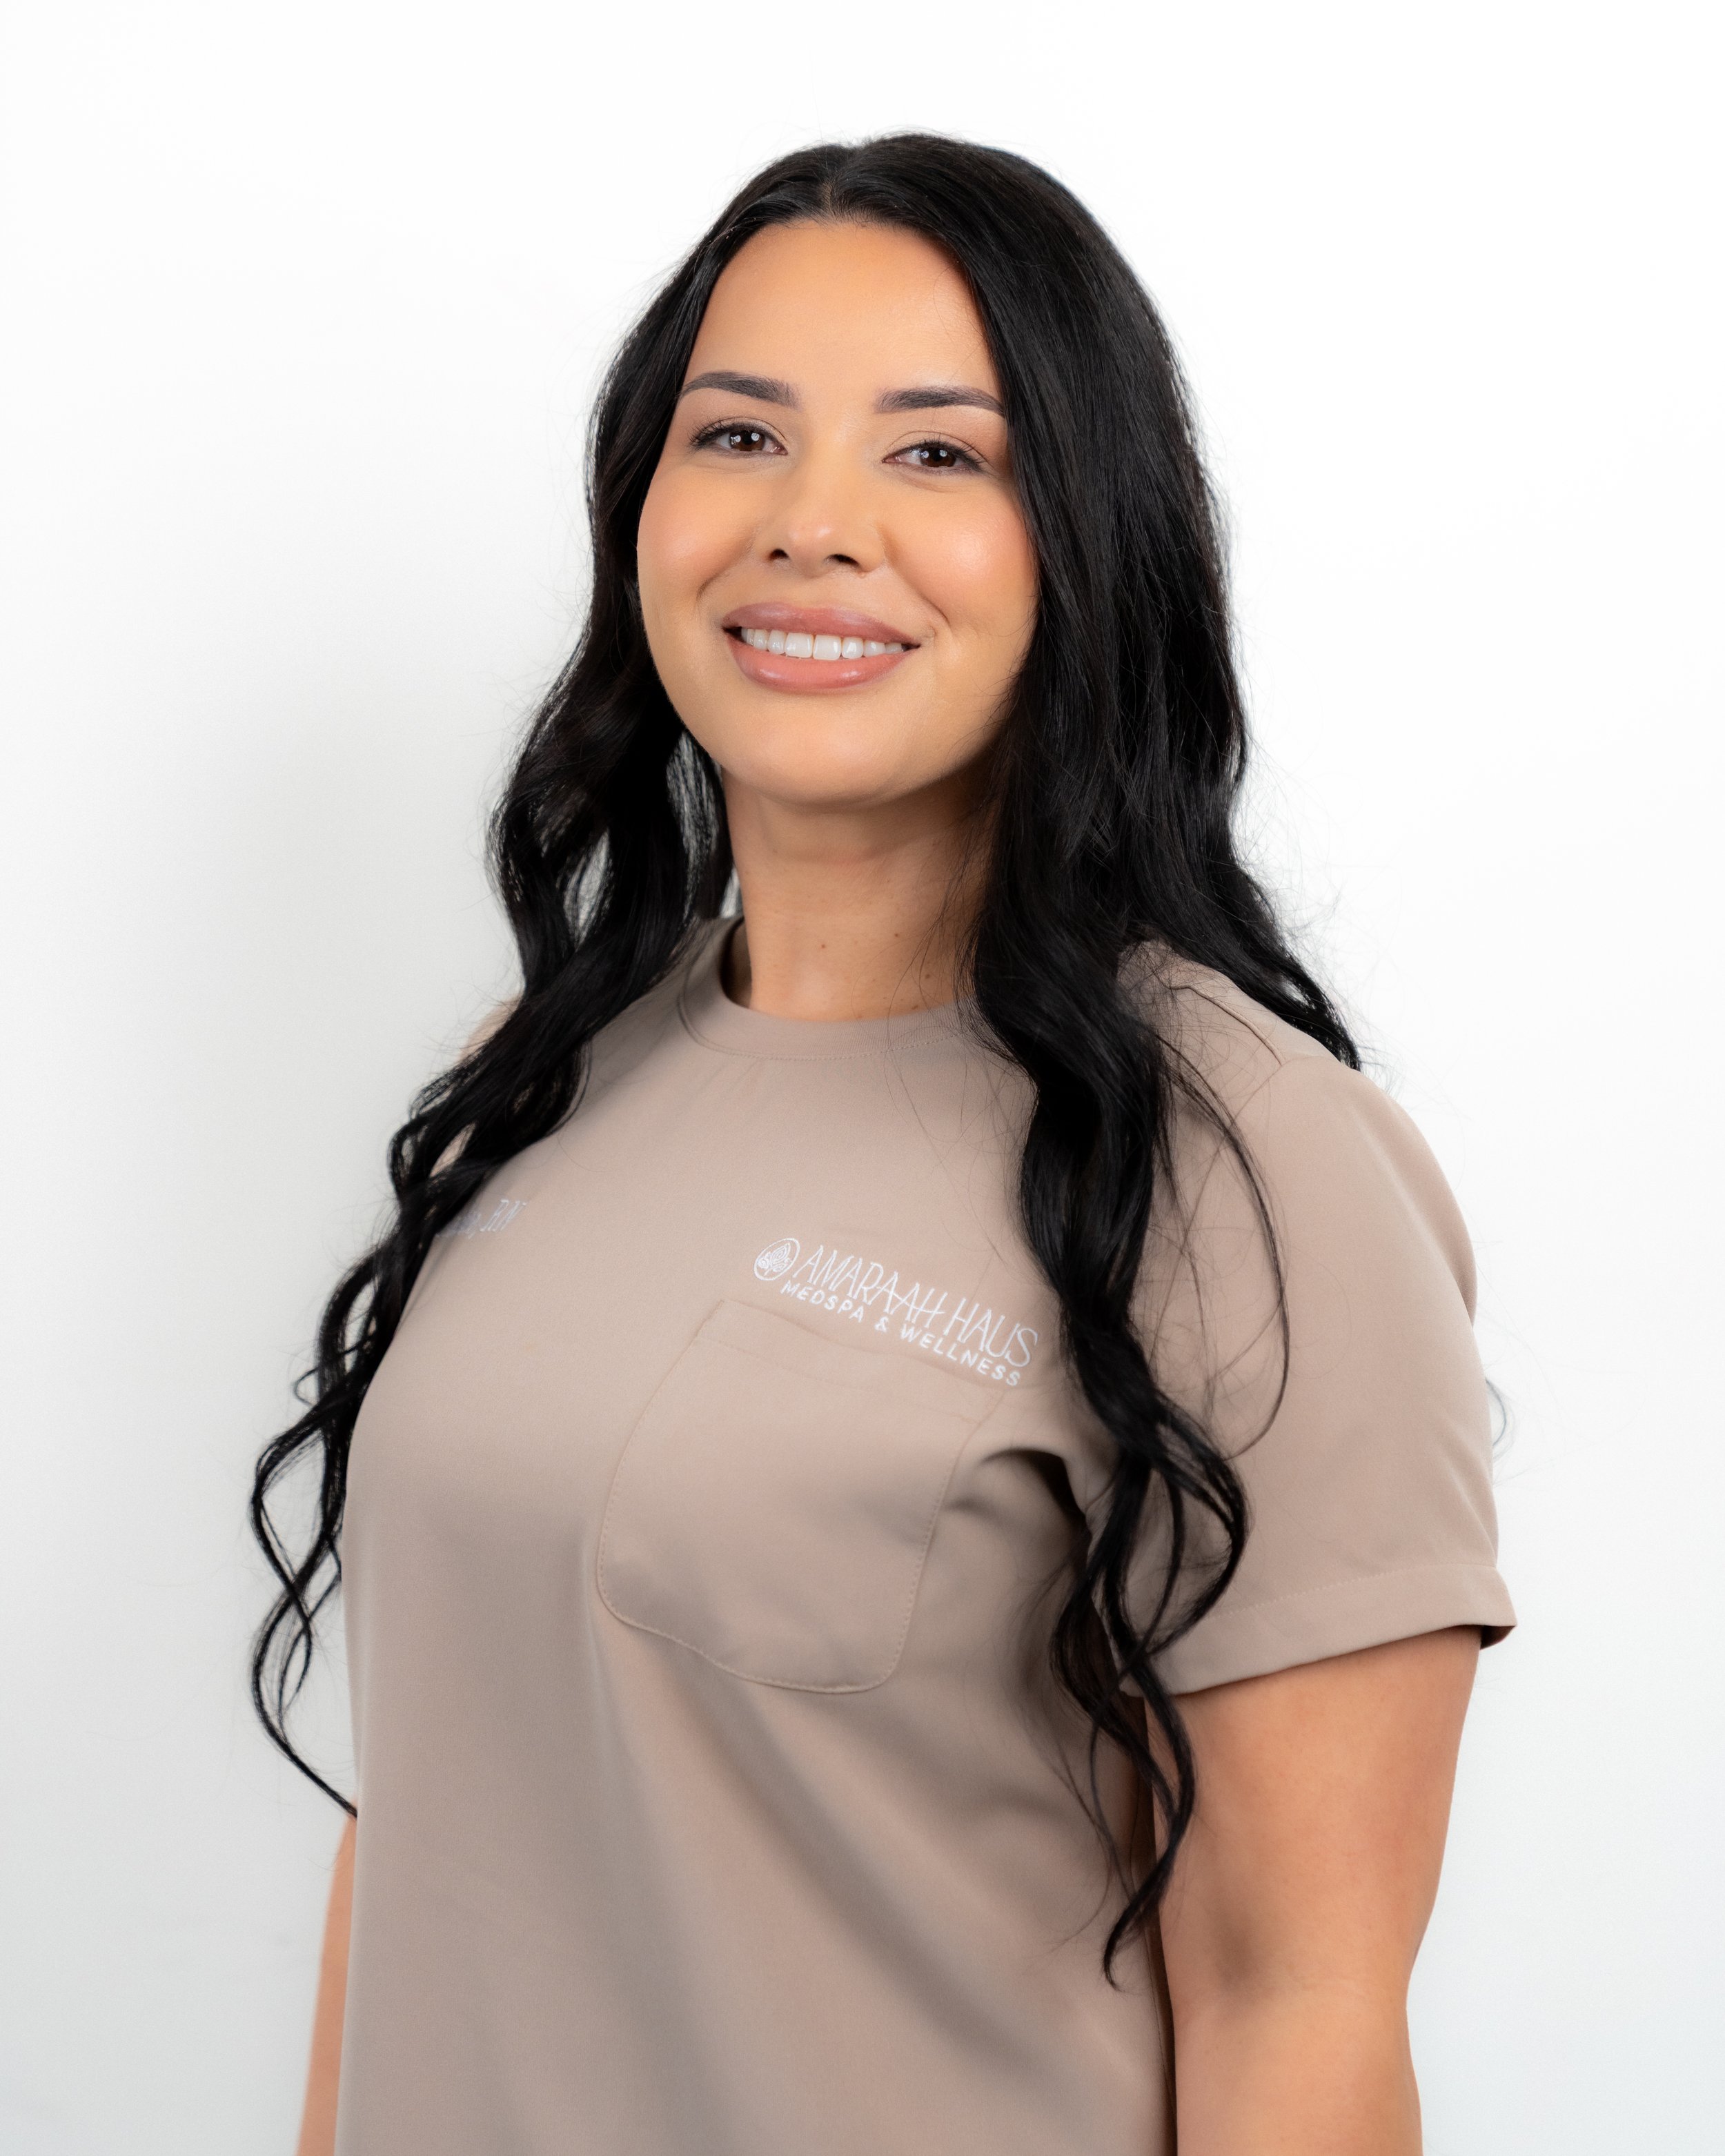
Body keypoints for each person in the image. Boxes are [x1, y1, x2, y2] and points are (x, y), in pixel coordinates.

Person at [254, 134, 1514, 2156]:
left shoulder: (1249, 1169)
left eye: (939, 456)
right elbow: (434, 1837)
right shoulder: (538, 1084)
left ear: (1090, 540)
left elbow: (1303, 2006)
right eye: (736, 432)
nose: (812, 523)